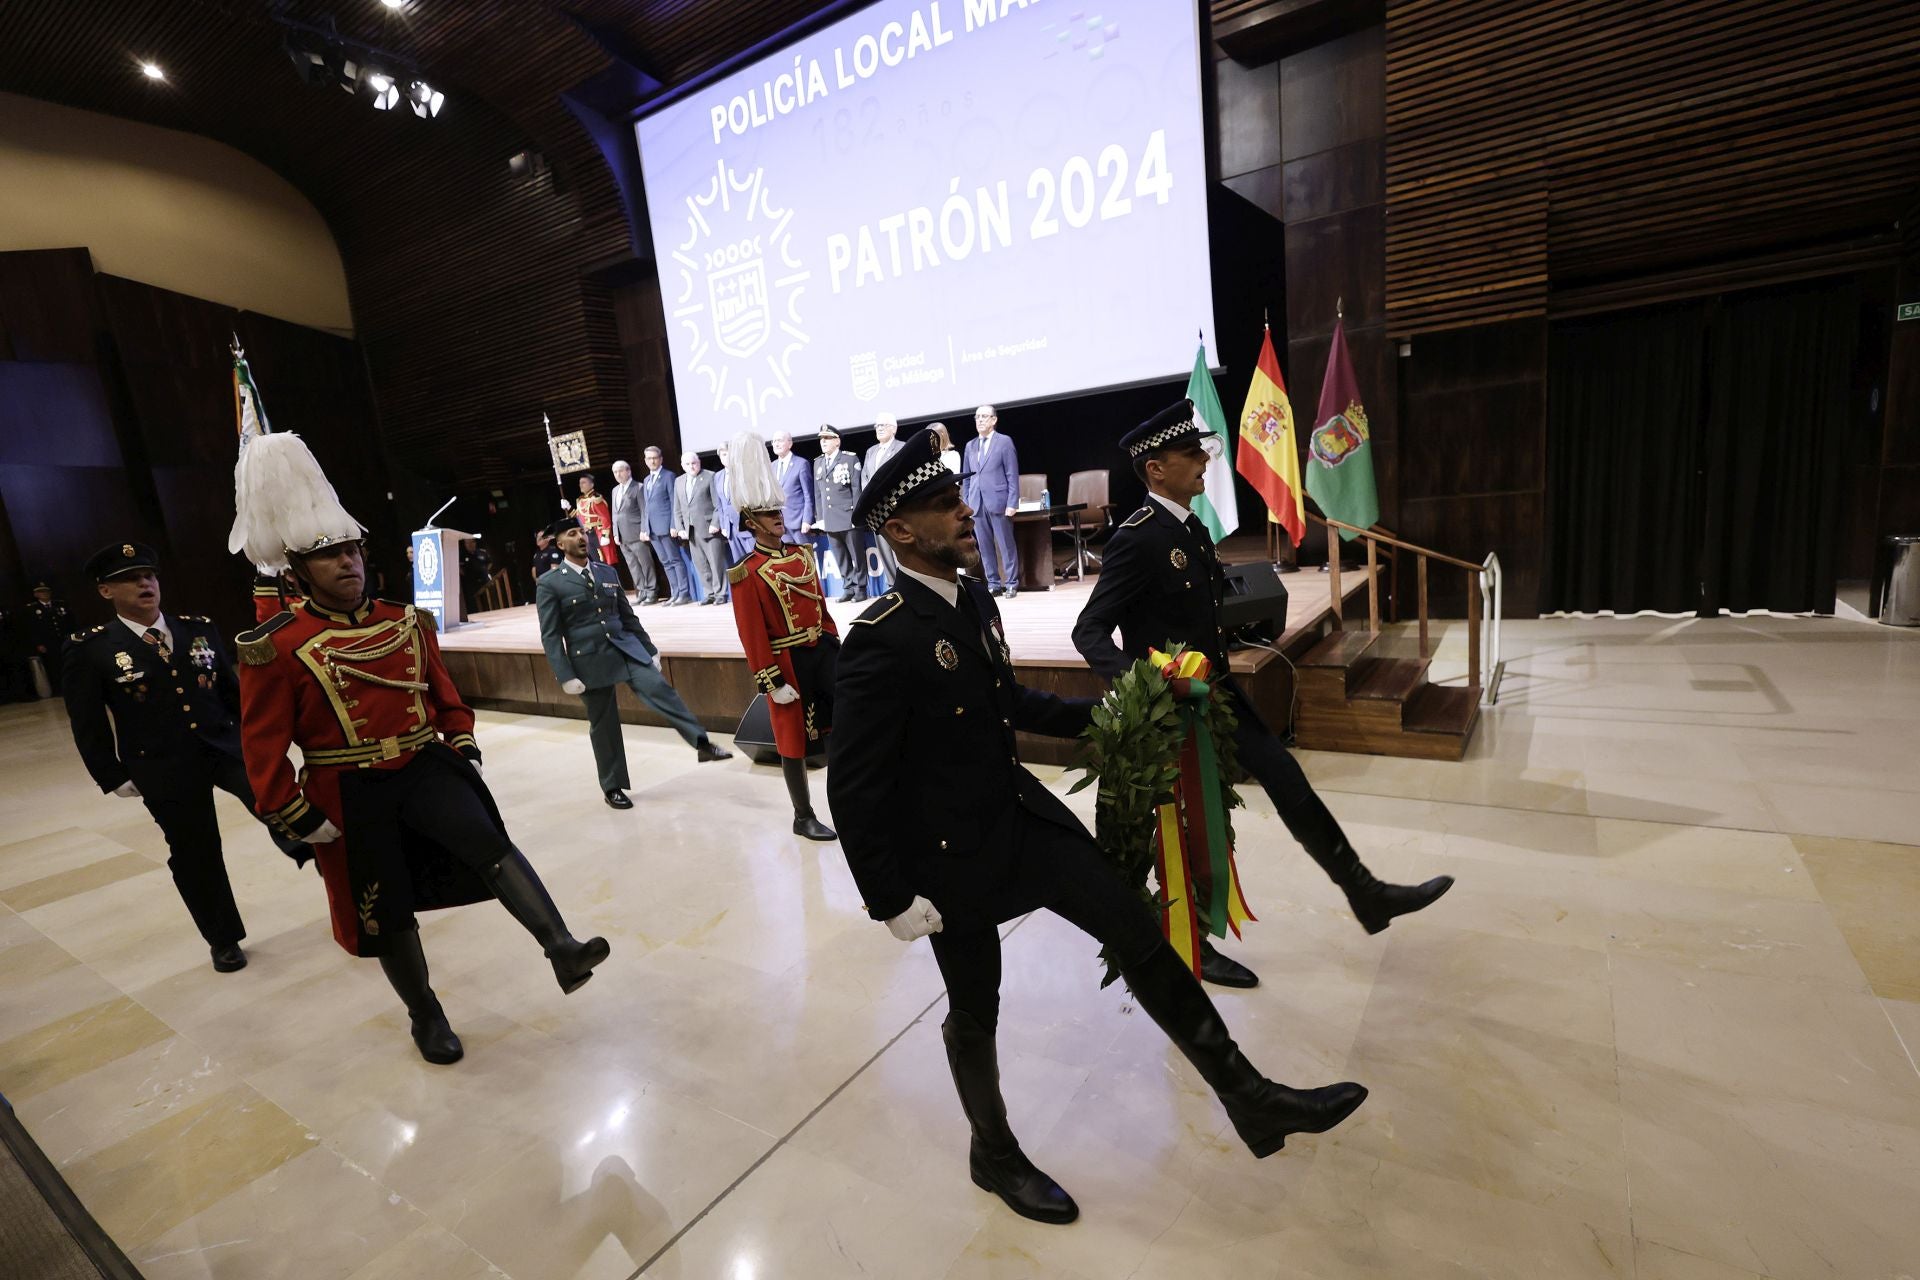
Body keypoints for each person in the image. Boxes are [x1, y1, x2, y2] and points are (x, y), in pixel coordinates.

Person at [831, 428, 1367, 1224]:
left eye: (957, 498)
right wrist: (889, 898)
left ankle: (1250, 1097)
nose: (965, 513)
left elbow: (1010, 707)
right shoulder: (878, 639)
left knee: (1140, 933)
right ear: (902, 530)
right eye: (945, 505)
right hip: (950, 860)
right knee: (977, 1008)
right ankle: (994, 1150)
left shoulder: (973, 601)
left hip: (1021, 822)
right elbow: (853, 786)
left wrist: (1118, 710)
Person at [229, 433, 609, 1066]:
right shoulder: (278, 645)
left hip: (423, 762)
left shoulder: (403, 619)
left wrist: (460, 739)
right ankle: (425, 1015)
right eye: (331, 557)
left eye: (354, 551)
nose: (349, 564)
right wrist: (290, 810)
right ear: (297, 572)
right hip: (349, 789)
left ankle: (561, 947)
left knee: (491, 845)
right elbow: (261, 745)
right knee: (386, 908)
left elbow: (444, 693)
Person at [1072, 401, 1453, 986]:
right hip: (1172, 714)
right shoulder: (1137, 539)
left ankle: (1364, 891)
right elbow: (1089, 630)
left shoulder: (1193, 528)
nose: (1204, 461)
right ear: (1155, 468)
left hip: (1218, 698)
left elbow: (1203, 612)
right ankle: (1190, 942)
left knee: (1288, 782)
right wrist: (1146, 687)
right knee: (1189, 828)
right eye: (1191, 453)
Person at [61, 542, 295, 973]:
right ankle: (223, 938)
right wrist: (110, 774)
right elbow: (87, 720)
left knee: (280, 804)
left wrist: (258, 740)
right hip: (161, 762)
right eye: (130, 578)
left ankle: (320, 862)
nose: (145, 583)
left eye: (149, 575)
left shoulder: (197, 628)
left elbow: (231, 692)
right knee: (195, 851)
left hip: (224, 746)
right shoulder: (91, 647)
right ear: (106, 591)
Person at [537, 516, 731, 808]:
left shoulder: (606, 572)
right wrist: (565, 674)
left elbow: (628, 617)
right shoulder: (551, 583)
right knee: (604, 725)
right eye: (572, 534)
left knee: (660, 689)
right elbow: (551, 636)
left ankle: (701, 743)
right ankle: (612, 785)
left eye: (582, 532)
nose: (581, 538)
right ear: (560, 543)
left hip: (625, 649)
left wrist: (649, 648)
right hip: (588, 660)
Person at [723, 431, 838, 841]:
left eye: (777, 510)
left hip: (821, 652)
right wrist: (771, 682)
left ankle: (854, 799)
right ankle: (802, 815)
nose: (778, 516)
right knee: (791, 741)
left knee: (845, 721)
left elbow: (821, 607)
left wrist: (833, 645)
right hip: (787, 662)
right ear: (751, 523)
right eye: (768, 513)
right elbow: (751, 635)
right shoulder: (746, 572)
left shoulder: (801, 554)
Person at [962, 405, 1020, 598]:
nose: (980, 420)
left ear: (994, 420)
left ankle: (1011, 583)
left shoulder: (1004, 442)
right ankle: (994, 584)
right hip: (977, 504)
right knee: (985, 548)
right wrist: (967, 502)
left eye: (984, 417)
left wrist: (1013, 502)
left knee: (1005, 545)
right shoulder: (970, 445)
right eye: (977, 417)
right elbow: (967, 478)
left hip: (999, 502)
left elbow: (1012, 474)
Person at [810, 424, 867, 602]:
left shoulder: (850, 459)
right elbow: (818, 493)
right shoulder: (818, 462)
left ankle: (861, 589)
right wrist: (820, 518)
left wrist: (857, 516)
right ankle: (848, 588)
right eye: (821, 439)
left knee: (857, 556)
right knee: (841, 557)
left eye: (827, 438)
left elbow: (857, 490)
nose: (823, 442)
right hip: (830, 518)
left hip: (848, 516)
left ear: (837, 441)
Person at [674, 451, 731, 605]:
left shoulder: (710, 476)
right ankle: (710, 593)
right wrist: (680, 528)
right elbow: (677, 508)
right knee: (701, 564)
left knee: (715, 563)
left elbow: (718, 504)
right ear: (682, 466)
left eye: (694, 463)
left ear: (699, 462)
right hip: (691, 530)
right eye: (688, 464)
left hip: (709, 528)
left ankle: (721, 593)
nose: (691, 466)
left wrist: (715, 523)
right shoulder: (679, 481)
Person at [641, 446, 691, 605]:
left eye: (655, 457)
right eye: (649, 458)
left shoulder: (669, 476)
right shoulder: (646, 480)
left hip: (667, 527)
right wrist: (644, 528)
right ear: (645, 461)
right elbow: (646, 508)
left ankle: (684, 593)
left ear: (660, 459)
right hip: (653, 529)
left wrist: (674, 525)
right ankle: (675, 593)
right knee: (666, 562)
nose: (652, 461)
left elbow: (674, 502)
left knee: (675, 560)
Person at [863, 415, 906, 583]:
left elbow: (904, 474)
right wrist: (869, 500)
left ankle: (907, 584)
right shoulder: (871, 451)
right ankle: (892, 584)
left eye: (883, 425)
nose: (879, 428)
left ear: (893, 429)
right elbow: (865, 478)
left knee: (900, 547)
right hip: (876, 510)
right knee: (884, 549)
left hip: (896, 507)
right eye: (877, 425)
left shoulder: (902, 447)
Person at [609, 459, 656, 602]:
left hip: (637, 533)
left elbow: (644, 511)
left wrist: (644, 530)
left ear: (628, 471)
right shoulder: (615, 490)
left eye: (620, 471)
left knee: (645, 564)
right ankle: (641, 592)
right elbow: (615, 514)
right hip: (623, 536)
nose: (618, 474)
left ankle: (651, 592)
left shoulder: (639, 487)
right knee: (633, 566)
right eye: (615, 472)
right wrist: (615, 533)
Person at [770, 431, 814, 544]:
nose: (776, 444)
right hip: (781, 524)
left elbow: (808, 495)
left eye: (779, 440)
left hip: (799, 523)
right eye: (774, 441)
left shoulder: (801, 464)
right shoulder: (772, 466)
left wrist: (807, 520)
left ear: (789, 444)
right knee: (789, 559)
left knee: (806, 558)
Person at [573, 474, 617, 566]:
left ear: (592, 485)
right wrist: (568, 507)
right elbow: (578, 516)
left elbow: (605, 517)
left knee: (604, 560)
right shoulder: (580, 501)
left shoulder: (596, 499)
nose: (581, 485)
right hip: (587, 535)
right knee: (595, 561)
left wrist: (605, 535)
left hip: (598, 533)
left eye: (584, 482)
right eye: (580, 483)